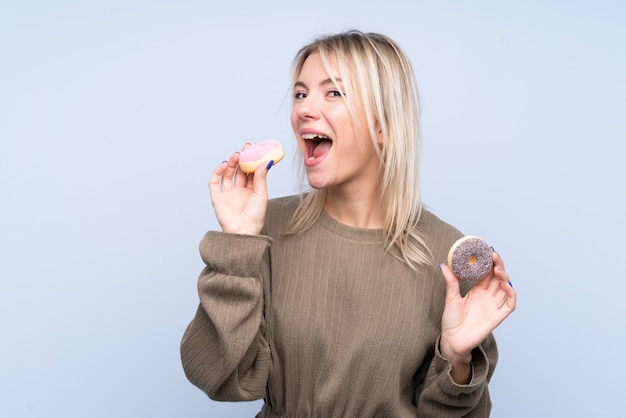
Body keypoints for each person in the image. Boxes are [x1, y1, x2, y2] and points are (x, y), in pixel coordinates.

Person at [180, 30, 516, 417]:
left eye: (333, 92)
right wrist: (237, 247)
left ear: (384, 126)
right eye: (300, 93)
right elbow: (215, 375)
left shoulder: (450, 258)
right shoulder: (263, 229)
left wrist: (458, 359)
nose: (304, 109)